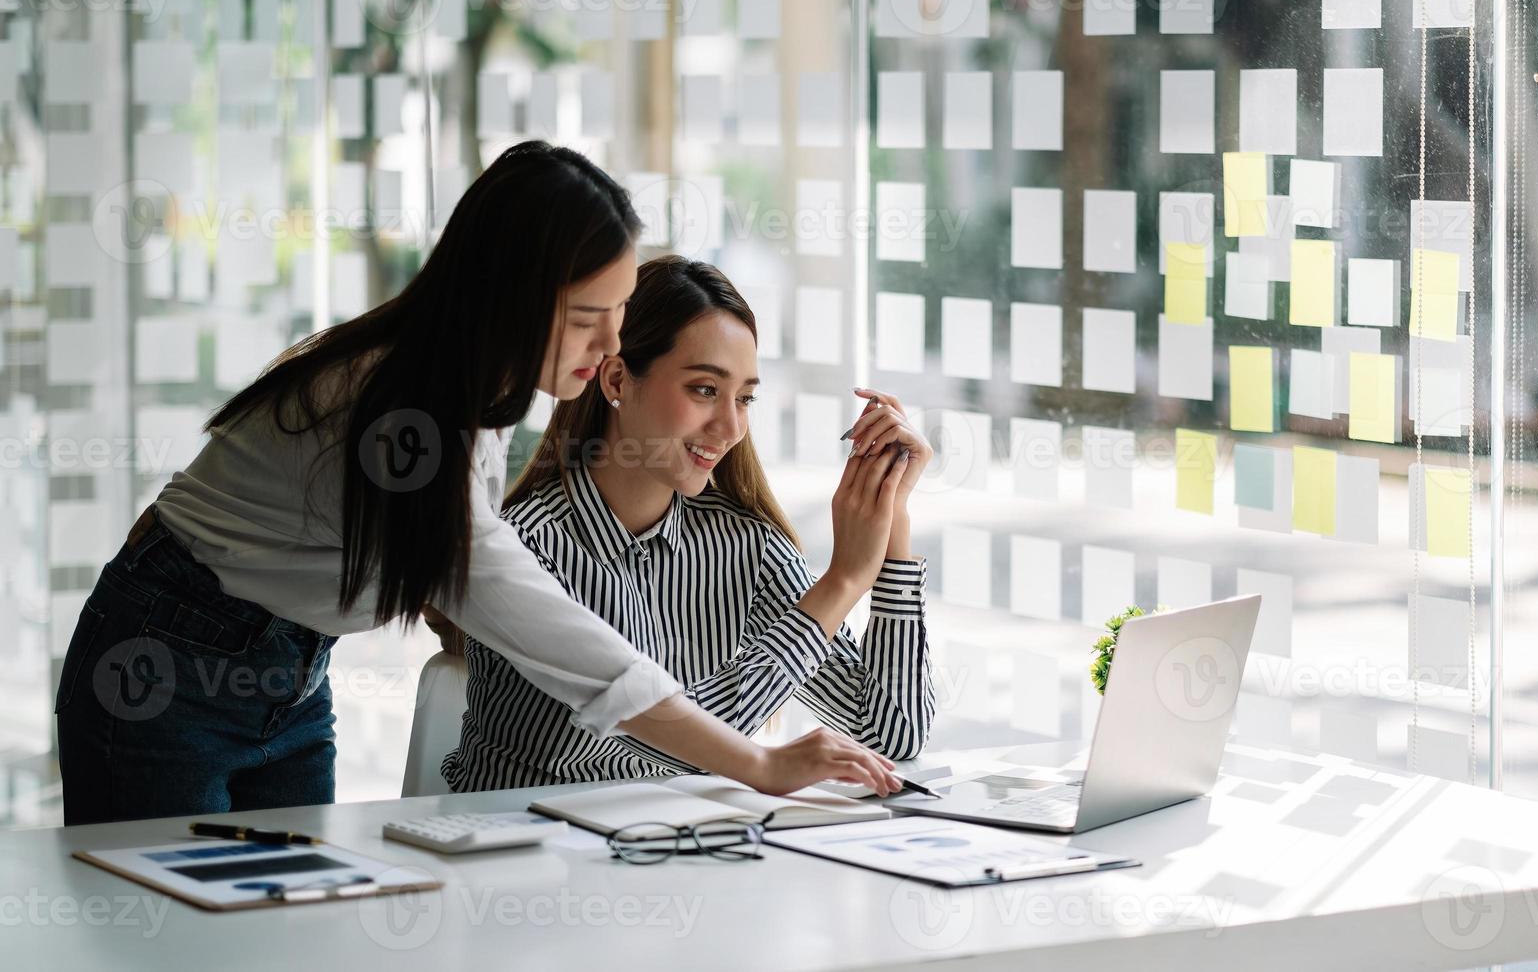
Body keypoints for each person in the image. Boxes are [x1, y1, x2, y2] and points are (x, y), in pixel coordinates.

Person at [54, 141, 903, 826]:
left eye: (619, 314)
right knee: (166, 941)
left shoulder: (476, 402)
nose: (610, 347)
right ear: (510, 296)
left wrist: (883, 555)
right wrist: (756, 760)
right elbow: (565, 646)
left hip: (287, 668)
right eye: (585, 318)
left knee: (286, 940)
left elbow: (890, 725)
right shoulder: (403, 415)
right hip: (170, 663)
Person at [437, 255, 936, 791]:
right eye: (704, 389)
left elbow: (893, 733)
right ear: (617, 380)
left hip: (672, 849)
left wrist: (891, 526)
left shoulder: (741, 542)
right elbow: (665, 740)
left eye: (745, 398)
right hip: (526, 850)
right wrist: (841, 584)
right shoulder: (533, 544)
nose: (731, 426)